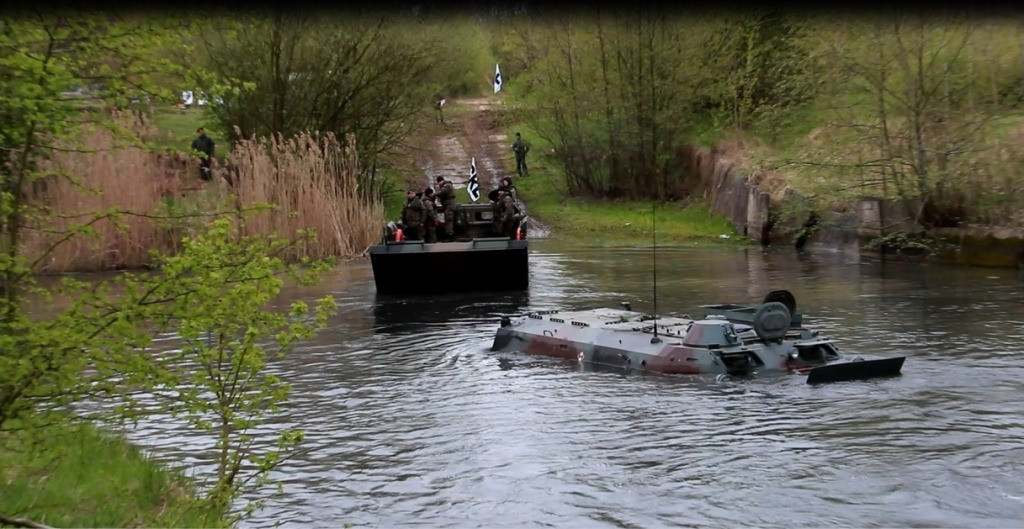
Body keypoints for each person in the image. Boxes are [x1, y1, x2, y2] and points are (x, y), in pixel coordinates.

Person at [434, 176, 456, 241]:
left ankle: (450, 235)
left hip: (449, 205)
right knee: (448, 220)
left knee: (448, 220)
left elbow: (443, 192)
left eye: (438, 183)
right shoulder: (446, 185)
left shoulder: (447, 185)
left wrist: (434, 194)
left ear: (440, 181)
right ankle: (449, 235)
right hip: (447, 205)